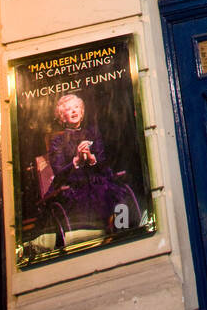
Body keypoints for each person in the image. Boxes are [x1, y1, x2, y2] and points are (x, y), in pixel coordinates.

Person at [33, 93, 141, 250]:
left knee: (120, 195)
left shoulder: (93, 133)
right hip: (72, 186)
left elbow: (103, 162)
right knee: (86, 204)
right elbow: (59, 172)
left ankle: (120, 233)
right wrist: (76, 160)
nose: (74, 111)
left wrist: (91, 158)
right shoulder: (57, 141)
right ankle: (96, 241)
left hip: (98, 180)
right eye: (68, 109)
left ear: (82, 112)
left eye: (76, 108)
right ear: (62, 117)